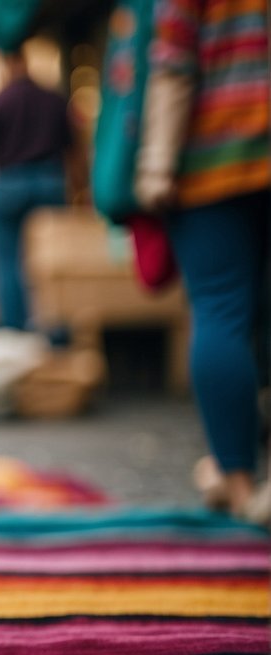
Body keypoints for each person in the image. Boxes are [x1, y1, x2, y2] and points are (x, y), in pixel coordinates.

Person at [136, 0, 270, 521]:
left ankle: (237, 484)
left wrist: (156, 165)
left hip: (214, 154)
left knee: (219, 310)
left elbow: (173, 62)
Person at [0, 48, 80, 331]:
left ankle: (15, 331)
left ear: (7, 65)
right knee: (54, 259)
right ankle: (57, 329)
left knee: (8, 260)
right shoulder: (54, 99)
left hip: (8, 183)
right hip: (50, 180)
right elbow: (74, 150)